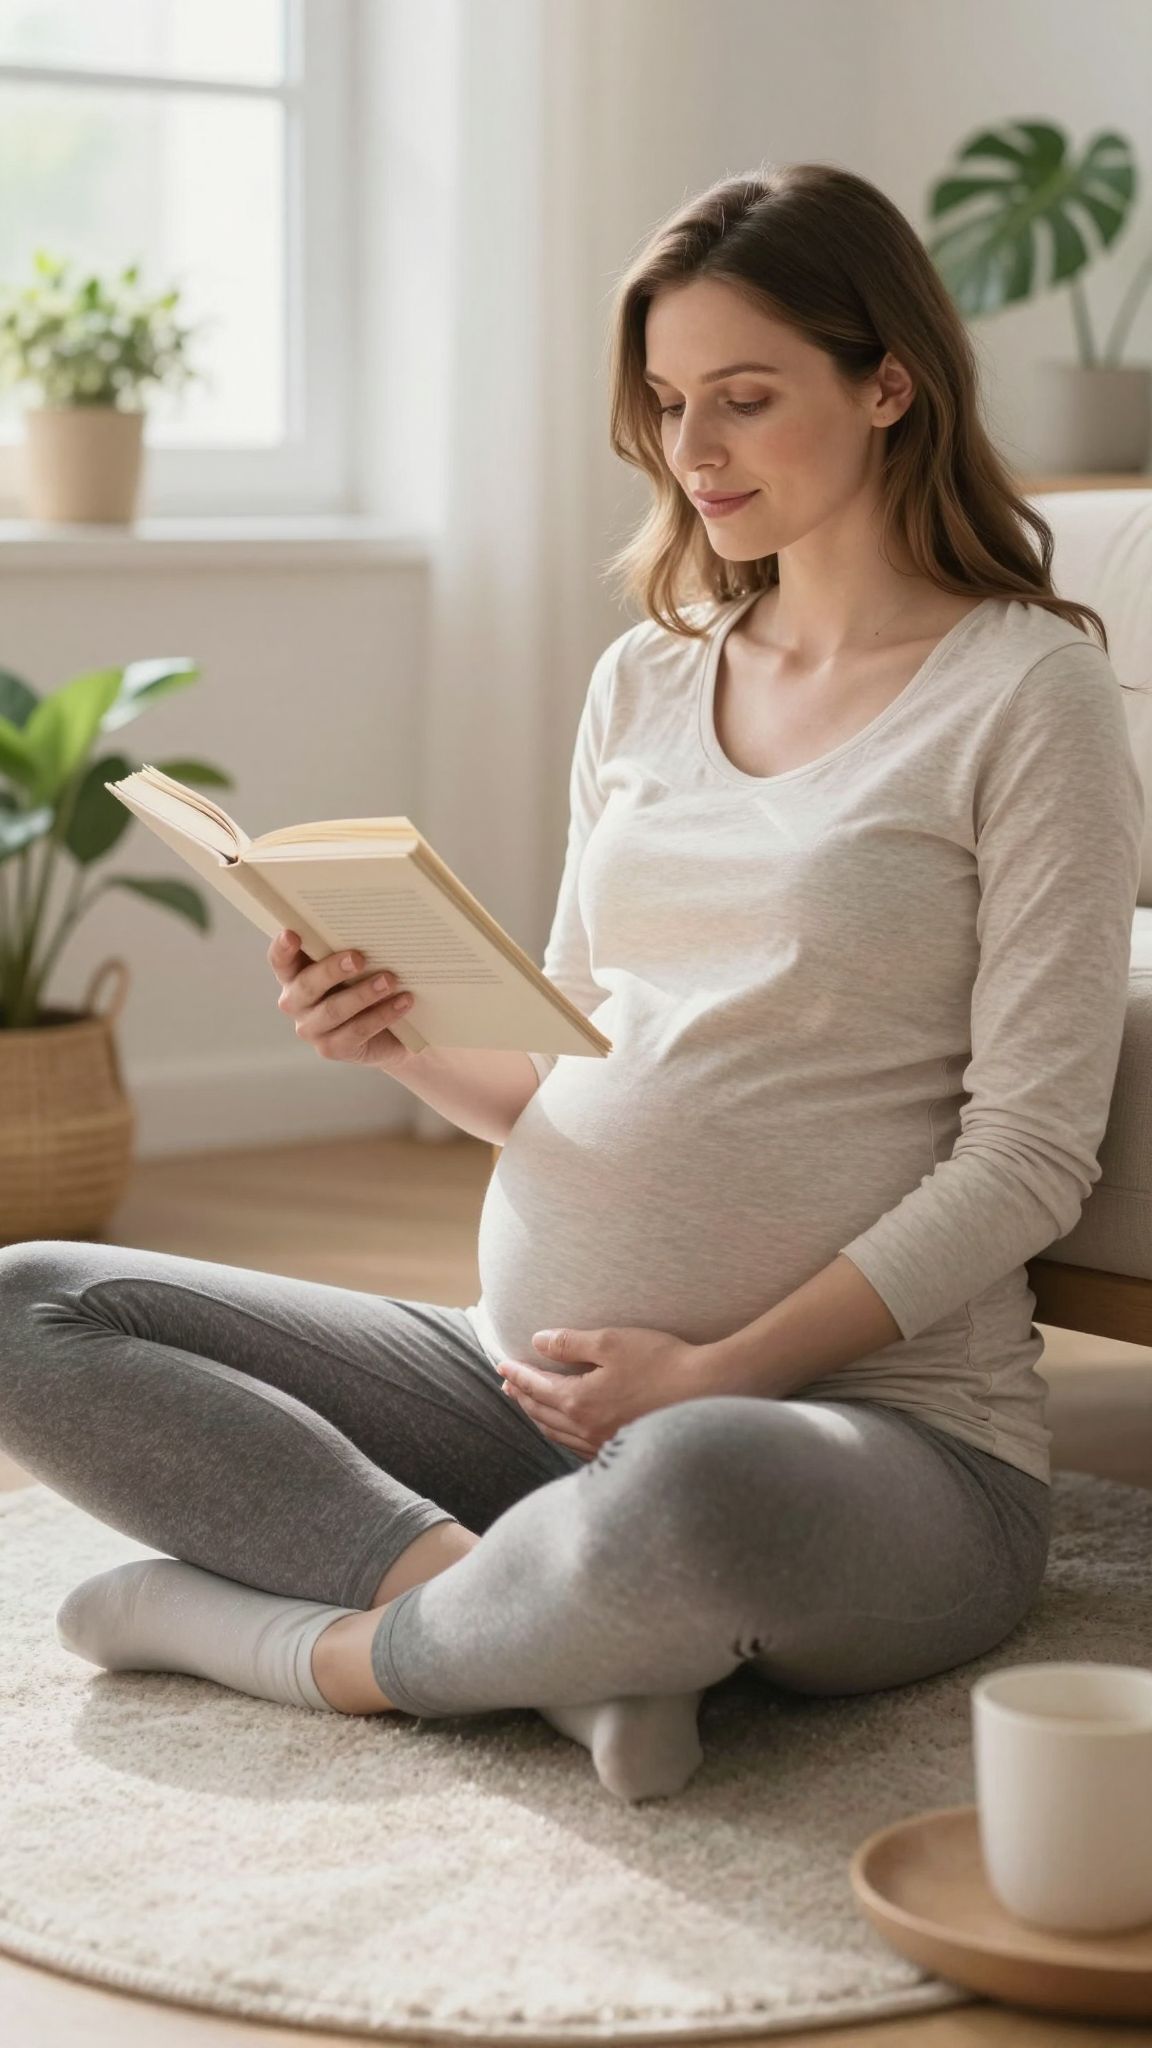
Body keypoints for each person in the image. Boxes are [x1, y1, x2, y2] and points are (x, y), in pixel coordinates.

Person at [0, 161, 1143, 1806]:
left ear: (889, 381)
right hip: (516, 1383)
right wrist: (396, 1043)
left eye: (746, 400)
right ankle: (527, 1622)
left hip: (855, 1438)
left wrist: (709, 1373)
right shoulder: (648, 678)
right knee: (36, 1304)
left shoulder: (1030, 689)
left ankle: (316, 1647)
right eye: (671, 403)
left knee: (680, 1495)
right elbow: (560, 1062)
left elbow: (1032, 1154)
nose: (694, 452)